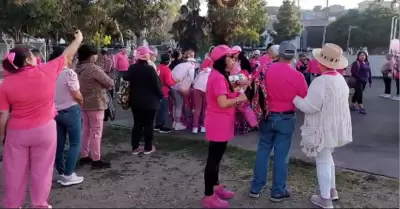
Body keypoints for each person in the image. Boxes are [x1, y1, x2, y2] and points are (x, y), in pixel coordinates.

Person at [0, 30, 82, 208]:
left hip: (17, 133)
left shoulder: (6, 84)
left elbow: (3, 115)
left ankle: (13, 205)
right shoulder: (46, 70)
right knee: (42, 170)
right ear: (29, 60)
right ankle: (40, 204)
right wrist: (78, 39)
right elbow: (67, 54)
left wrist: (2, 137)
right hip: (45, 130)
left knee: (14, 172)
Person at [293, 43, 353, 208]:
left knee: (323, 160)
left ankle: (324, 197)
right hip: (335, 125)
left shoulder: (321, 81)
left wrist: (295, 99)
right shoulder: (340, 79)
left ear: (321, 63)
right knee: (328, 156)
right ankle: (331, 191)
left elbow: (310, 106)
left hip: (323, 127)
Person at [249, 41, 308, 201]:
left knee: (263, 150)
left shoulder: (265, 69)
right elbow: (303, 96)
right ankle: (278, 190)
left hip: (267, 115)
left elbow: (254, 86)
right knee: (281, 155)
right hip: (286, 117)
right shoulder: (298, 76)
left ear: (279, 54)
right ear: (293, 55)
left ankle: (256, 186)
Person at [201, 45, 248, 208]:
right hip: (218, 122)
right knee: (213, 159)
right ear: (222, 60)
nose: (234, 60)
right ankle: (208, 195)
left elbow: (226, 96)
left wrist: (237, 92)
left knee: (218, 157)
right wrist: (239, 99)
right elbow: (222, 102)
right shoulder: (218, 77)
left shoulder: (221, 75)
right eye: (231, 57)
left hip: (222, 121)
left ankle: (215, 186)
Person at [76, 44, 114, 169]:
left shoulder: (78, 68)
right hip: (96, 103)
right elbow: (109, 82)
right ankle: (96, 159)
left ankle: (84, 155)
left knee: (86, 131)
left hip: (83, 103)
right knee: (96, 132)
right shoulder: (93, 68)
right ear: (91, 56)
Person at [51, 46, 84, 186]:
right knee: (75, 143)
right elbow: (76, 93)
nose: (72, 59)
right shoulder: (69, 73)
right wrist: (81, 101)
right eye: (70, 56)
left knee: (59, 143)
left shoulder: (50, 73)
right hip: (70, 110)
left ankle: (62, 171)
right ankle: (69, 174)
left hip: (55, 112)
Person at [123, 46, 163, 155]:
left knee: (137, 124)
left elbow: (126, 77)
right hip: (150, 102)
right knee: (149, 125)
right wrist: (161, 95)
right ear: (146, 56)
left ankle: (135, 147)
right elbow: (157, 86)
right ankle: (148, 147)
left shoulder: (132, 68)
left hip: (136, 102)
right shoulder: (150, 69)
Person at [171, 57, 196, 131]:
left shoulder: (179, 65)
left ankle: (175, 122)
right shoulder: (191, 66)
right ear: (192, 62)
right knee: (179, 105)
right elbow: (192, 78)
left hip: (172, 86)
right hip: (178, 87)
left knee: (175, 105)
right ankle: (178, 124)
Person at [155, 53, 175, 133]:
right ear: (168, 61)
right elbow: (168, 82)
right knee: (164, 110)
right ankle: (162, 126)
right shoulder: (167, 70)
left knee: (158, 110)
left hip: (157, 91)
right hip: (164, 92)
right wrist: (174, 81)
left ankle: (157, 125)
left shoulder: (158, 68)